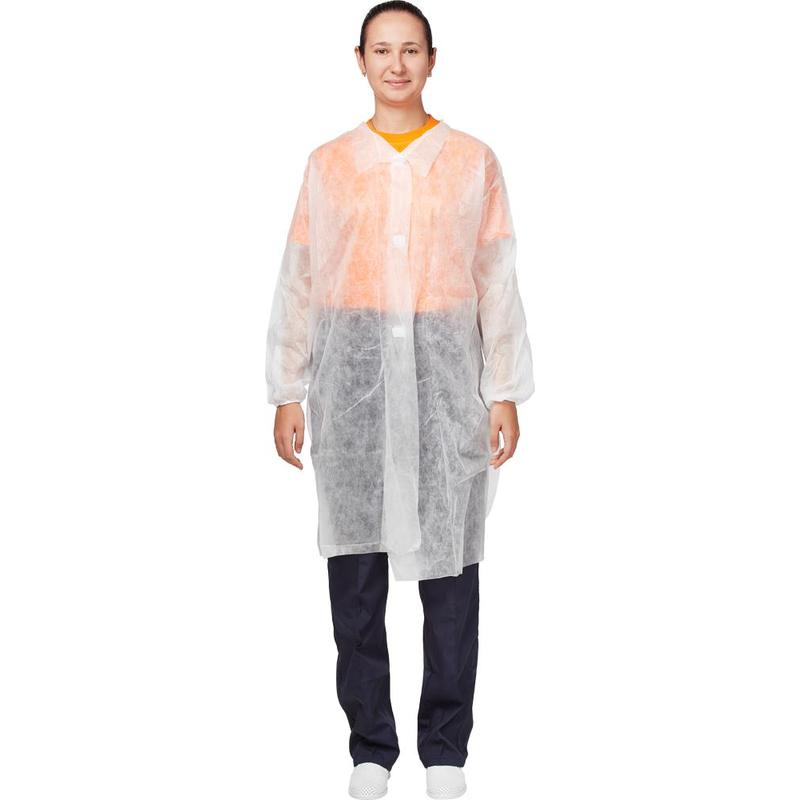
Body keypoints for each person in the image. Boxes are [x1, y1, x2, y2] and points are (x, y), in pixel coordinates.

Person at [265, 3, 534, 797]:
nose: (396, 64)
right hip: (350, 383)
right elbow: (301, 276)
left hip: (447, 380)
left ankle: (445, 748)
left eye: (409, 49)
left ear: (432, 59)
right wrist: (287, 387)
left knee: (452, 566)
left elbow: (496, 276)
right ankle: (370, 748)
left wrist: (504, 389)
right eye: (381, 50)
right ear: (359, 60)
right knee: (355, 572)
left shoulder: (472, 160)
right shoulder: (328, 164)